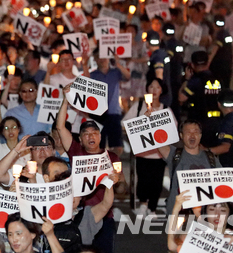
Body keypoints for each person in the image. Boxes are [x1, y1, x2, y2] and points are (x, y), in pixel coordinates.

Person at [55, 85, 119, 253]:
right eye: (86, 134)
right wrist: (65, 99)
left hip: (104, 215)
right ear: (81, 140)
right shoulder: (76, 151)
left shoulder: (111, 158)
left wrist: (116, 182)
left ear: (100, 136)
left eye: (94, 132)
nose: (91, 136)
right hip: (77, 215)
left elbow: (124, 187)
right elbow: (61, 127)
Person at [122, 78, 170, 218]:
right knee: (143, 180)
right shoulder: (138, 107)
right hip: (142, 153)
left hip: (159, 154)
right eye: (151, 86)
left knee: (157, 181)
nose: (154, 90)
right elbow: (125, 124)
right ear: (147, 90)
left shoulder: (165, 109)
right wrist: (142, 120)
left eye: (157, 87)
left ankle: (153, 208)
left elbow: (171, 128)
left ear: (161, 90)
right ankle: (143, 204)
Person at [157, 119, 221, 215]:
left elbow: (224, 178)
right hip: (179, 213)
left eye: (196, 132)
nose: (192, 135)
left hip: (205, 215)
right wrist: (150, 117)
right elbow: (156, 139)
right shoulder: (174, 154)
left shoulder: (210, 158)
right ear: (181, 136)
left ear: (200, 135)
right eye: (188, 132)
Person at [178, 50, 223, 148]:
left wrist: (186, 79)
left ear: (192, 65)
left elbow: (181, 98)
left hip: (200, 121)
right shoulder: (218, 78)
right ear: (207, 62)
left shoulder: (195, 81)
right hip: (218, 121)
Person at [90, 55, 130, 156]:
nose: (102, 58)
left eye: (104, 56)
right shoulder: (92, 74)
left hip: (114, 112)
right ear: (95, 58)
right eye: (99, 56)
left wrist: (118, 64)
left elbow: (128, 77)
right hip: (98, 113)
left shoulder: (115, 72)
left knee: (118, 146)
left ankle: (112, 165)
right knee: (98, 146)